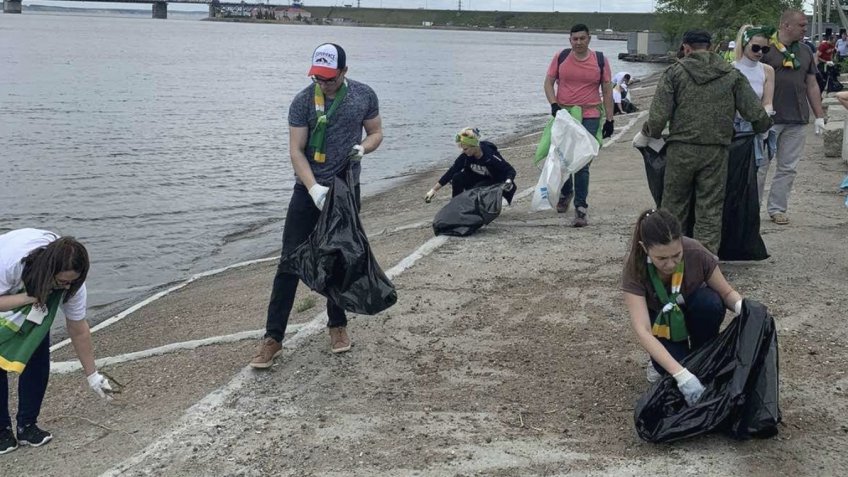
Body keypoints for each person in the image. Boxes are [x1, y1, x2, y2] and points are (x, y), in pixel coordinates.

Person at [250, 43, 383, 368]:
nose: (323, 84)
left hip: (344, 189)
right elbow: (296, 150)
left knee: (339, 257)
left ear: (344, 72)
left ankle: (337, 326)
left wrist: (363, 148)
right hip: (308, 190)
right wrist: (313, 189)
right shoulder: (302, 101)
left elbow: (377, 132)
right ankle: (273, 339)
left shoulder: (364, 95)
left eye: (329, 79)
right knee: (289, 262)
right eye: (318, 78)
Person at [633, 30, 772, 254]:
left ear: (686, 48)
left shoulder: (674, 73)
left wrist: (648, 133)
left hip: (680, 150)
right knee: (710, 208)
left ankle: (671, 256)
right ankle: (705, 260)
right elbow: (755, 114)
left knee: (674, 207)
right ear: (711, 47)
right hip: (716, 151)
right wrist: (762, 127)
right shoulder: (731, 75)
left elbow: (658, 117)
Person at [1, 229, 112, 454]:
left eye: (72, 282)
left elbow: (78, 328)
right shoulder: (10, 262)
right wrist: (31, 297)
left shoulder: (72, 285)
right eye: (62, 281)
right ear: (49, 270)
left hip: (32, 295)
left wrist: (93, 376)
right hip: (9, 291)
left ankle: (27, 426)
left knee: (38, 352)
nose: (66, 287)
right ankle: (1, 430)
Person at [621, 209, 744, 405]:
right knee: (670, 371)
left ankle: (702, 353)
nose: (670, 264)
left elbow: (726, 293)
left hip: (694, 310)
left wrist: (742, 308)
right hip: (662, 323)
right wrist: (681, 374)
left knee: (710, 302)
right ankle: (668, 363)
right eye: (661, 259)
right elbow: (642, 329)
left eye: (676, 255)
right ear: (645, 248)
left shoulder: (696, 252)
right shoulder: (635, 269)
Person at [544, 23, 615, 227]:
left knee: (582, 163)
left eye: (582, 38)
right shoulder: (561, 57)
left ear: (589, 39)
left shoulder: (600, 60)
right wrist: (554, 105)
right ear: (570, 40)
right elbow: (548, 83)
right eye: (575, 39)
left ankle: (581, 208)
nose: (578, 42)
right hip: (565, 114)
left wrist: (610, 119)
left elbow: (607, 90)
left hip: (590, 115)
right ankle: (566, 192)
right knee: (564, 159)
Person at [760, 9, 826, 225]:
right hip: (769, 118)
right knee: (760, 166)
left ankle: (777, 209)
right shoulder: (765, 48)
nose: (805, 29)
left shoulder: (805, 51)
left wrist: (819, 115)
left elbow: (812, 84)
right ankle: (751, 208)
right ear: (786, 25)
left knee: (788, 167)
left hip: (796, 118)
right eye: (802, 25)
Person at [424, 127, 517, 204]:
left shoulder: (490, 156)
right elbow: (451, 172)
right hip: (477, 178)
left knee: (476, 190)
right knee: (457, 177)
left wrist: (508, 182)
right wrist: (433, 190)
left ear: (474, 146)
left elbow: (510, 170)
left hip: (494, 181)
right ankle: (455, 204)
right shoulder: (466, 156)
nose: (463, 151)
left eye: (465, 149)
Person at [733, 25, 778, 181]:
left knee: (755, 175)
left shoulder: (767, 70)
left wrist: (764, 118)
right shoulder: (731, 69)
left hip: (756, 127)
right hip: (734, 129)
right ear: (744, 44)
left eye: (765, 49)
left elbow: (767, 101)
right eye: (756, 48)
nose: (760, 52)